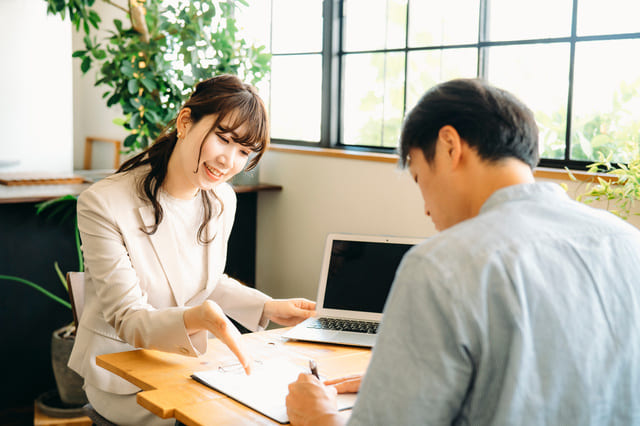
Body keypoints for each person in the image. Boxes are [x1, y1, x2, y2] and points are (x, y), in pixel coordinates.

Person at [285, 78, 640, 425]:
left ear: (449, 145)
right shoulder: (627, 242)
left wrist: (317, 417)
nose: (425, 208)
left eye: (419, 178)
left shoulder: (442, 263)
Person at [68, 74, 316, 425]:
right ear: (186, 122)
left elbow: (204, 281)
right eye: (223, 138)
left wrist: (267, 306)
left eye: (244, 151)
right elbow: (128, 318)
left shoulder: (221, 198)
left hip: (187, 363)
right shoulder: (105, 203)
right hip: (125, 378)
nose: (229, 161)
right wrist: (195, 318)